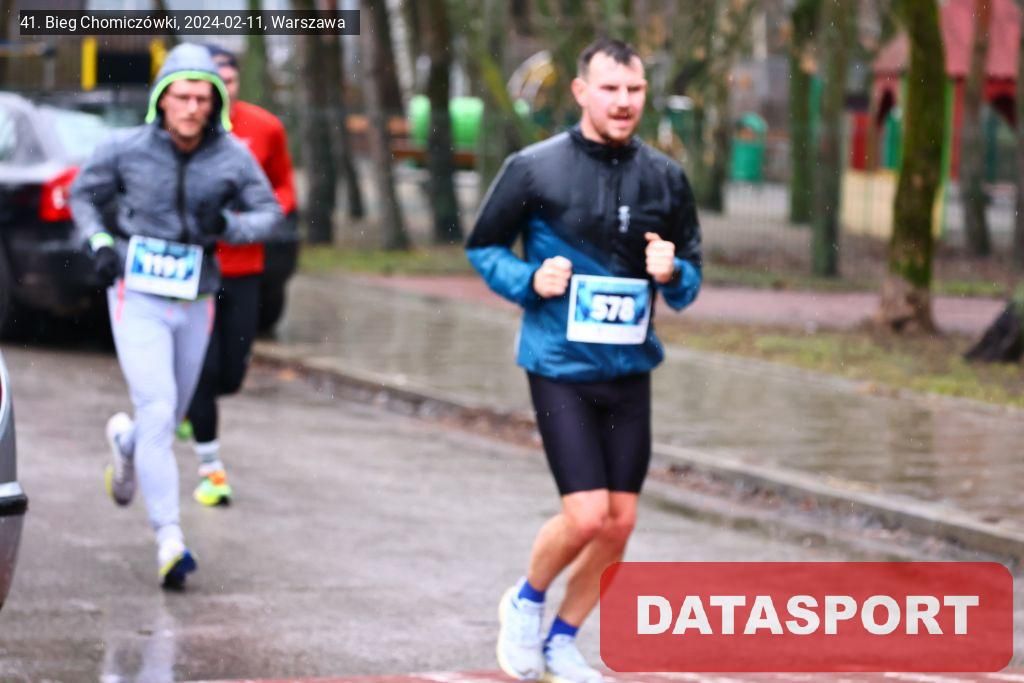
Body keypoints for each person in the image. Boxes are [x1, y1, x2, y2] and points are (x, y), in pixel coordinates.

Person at [464, 38, 702, 683]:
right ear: (580, 92)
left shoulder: (665, 177)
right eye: (610, 89)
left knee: (620, 524)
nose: (623, 102)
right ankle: (526, 602)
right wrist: (529, 280)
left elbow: (690, 277)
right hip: (559, 363)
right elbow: (483, 246)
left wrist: (672, 271)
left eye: (634, 90)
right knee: (588, 514)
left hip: (629, 369)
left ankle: (563, 640)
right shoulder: (533, 168)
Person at [70, 43, 283, 589]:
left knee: (169, 414)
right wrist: (99, 243)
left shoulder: (233, 156)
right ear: (162, 99)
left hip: (196, 296)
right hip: (137, 293)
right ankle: (170, 538)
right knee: (159, 408)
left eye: (202, 99)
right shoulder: (125, 148)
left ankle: (127, 444)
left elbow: (270, 211)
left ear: (215, 104)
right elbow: (82, 195)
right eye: (182, 97)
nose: (192, 108)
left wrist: (229, 229)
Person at [182, 45, 298, 507]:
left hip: (245, 265)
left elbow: (284, 185)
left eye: (229, 82)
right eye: (214, 83)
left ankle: (191, 403)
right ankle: (211, 470)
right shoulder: (185, 130)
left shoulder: (265, 127)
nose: (221, 91)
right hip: (195, 270)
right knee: (204, 369)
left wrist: (264, 216)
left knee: (232, 374)